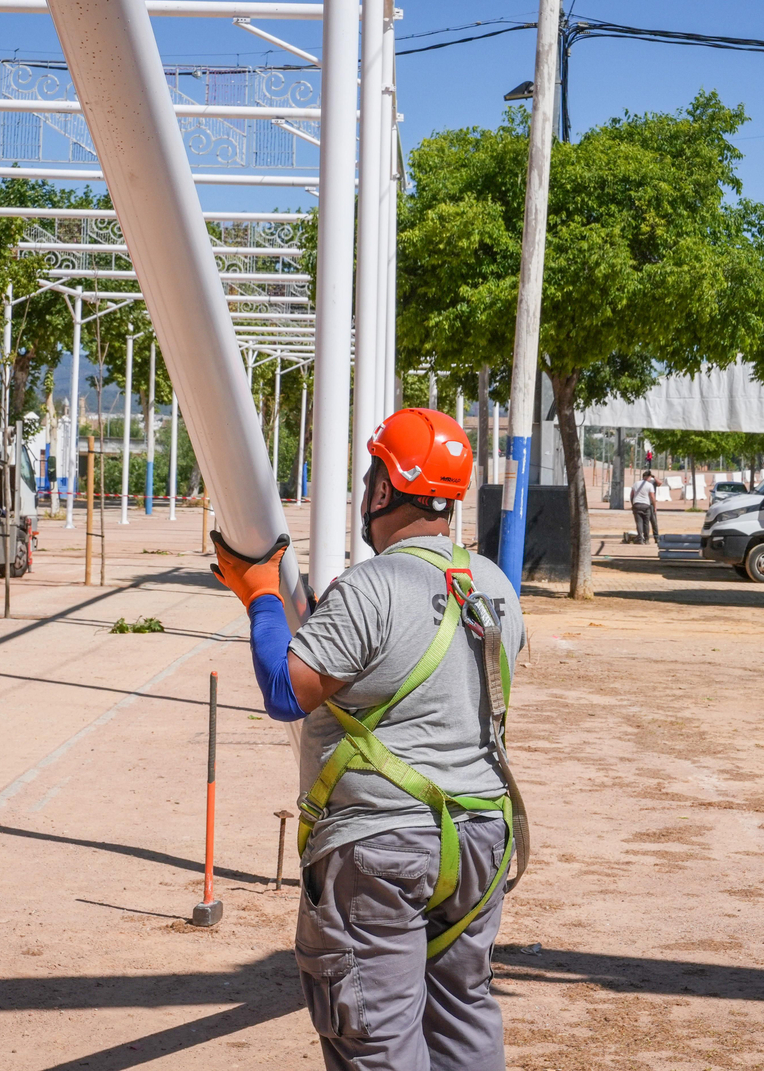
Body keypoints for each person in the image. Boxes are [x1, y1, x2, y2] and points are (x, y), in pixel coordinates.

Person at [211, 407, 528, 1071]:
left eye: (370, 478)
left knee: (377, 1036)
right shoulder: (494, 586)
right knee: (462, 1014)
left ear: (385, 489)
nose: (363, 492)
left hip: (384, 849)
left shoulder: (370, 589)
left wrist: (261, 597)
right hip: (479, 842)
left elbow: (284, 690)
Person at [629, 469, 660, 544]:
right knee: (646, 523)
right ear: (648, 477)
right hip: (646, 505)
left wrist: (632, 504)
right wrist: (655, 506)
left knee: (639, 523)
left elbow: (631, 495)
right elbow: (652, 497)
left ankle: (640, 538)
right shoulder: (650, 485)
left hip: (637, 504)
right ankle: (646, 539)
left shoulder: (636, 483)